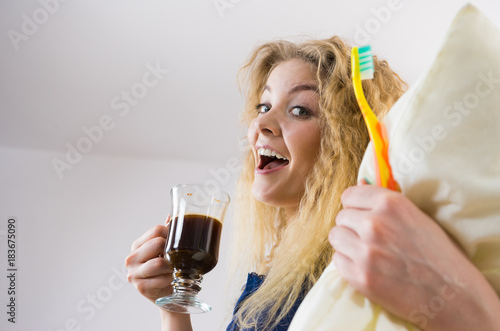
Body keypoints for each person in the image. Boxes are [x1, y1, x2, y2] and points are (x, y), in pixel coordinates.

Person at [125, 36, 500, 331]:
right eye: (263, 106)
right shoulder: (267, 283)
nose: (260, 125)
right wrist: (172, 306)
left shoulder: (366, 264)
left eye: (300, 110)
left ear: (346, 141)